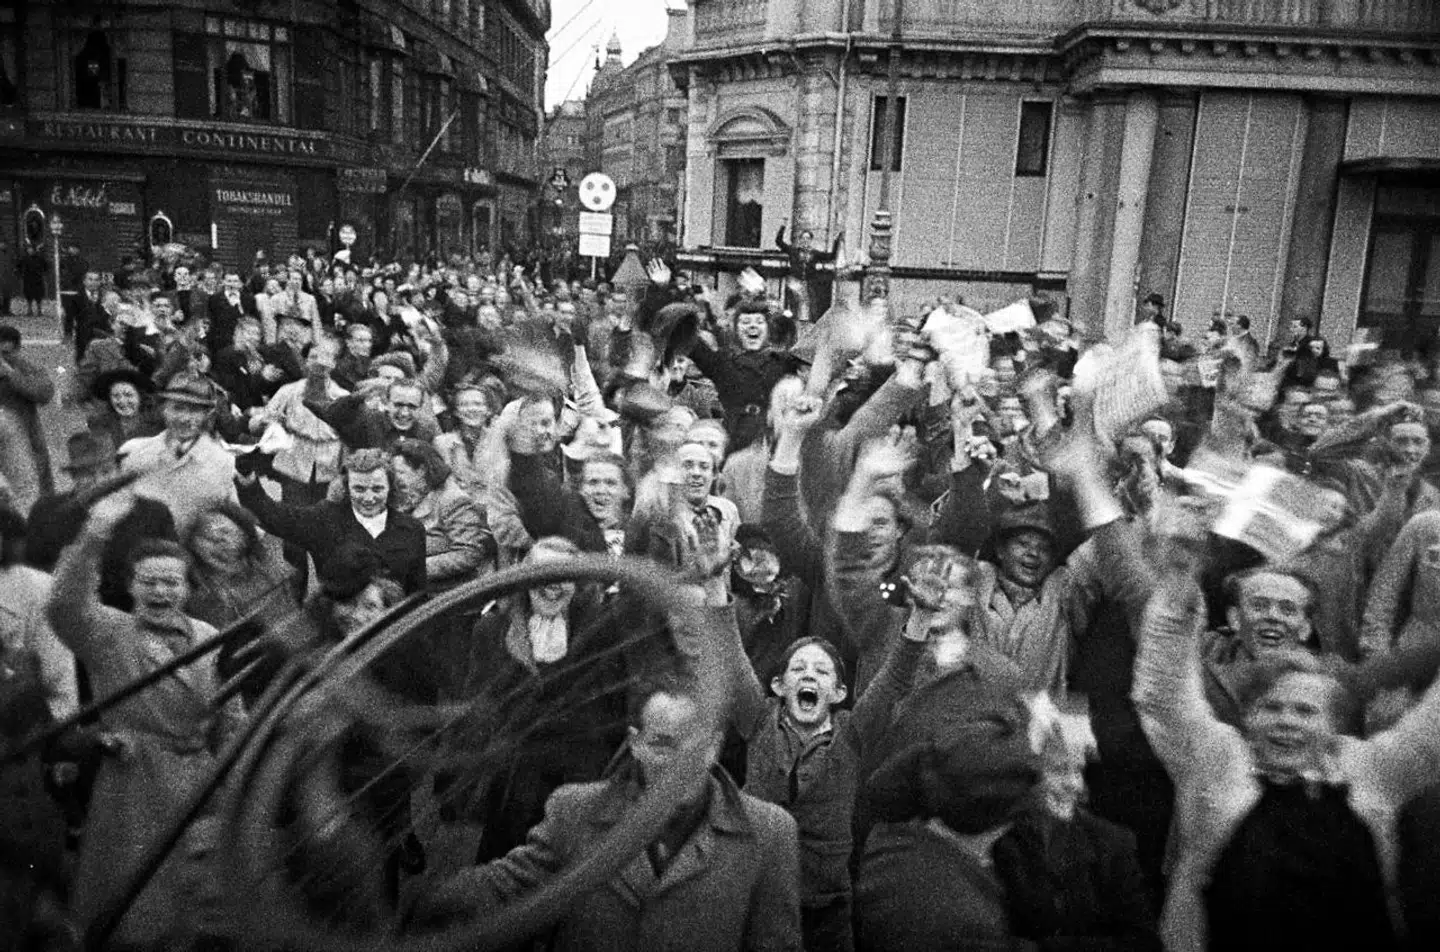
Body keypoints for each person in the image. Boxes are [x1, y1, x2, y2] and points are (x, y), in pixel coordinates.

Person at [1134, 535, 1440, 952]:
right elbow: (1163, 690)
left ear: (1334, 725)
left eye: (1305, 711)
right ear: (1249, 717)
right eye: (1272, 708)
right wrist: (1179, 582)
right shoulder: (1217, 757)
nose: (1286, 721)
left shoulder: (1372, 769)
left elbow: (1432, 730)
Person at [418, 672, 803, 952]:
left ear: (716, 746)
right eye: (663, 744)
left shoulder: (769, 834)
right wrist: (415, 906)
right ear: (635, 744)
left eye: (696, 744)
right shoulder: (576, 812)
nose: (679, 764)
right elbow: (504, 890)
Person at [47, 489, 241, 948]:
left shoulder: (209, 636)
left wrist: (234, 766)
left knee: (200, 912)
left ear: (188, 588)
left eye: (171, 583)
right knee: (137, 912)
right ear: (131, 586)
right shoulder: (108, 633)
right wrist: (93, 537)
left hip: (199, 783)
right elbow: (63, 604)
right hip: (134, 785)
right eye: (149, 582)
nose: (160, 592)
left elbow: (230, 711)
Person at [235, 447, 427, 595]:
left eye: (377, 489)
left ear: (390, 488)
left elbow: (417, 591)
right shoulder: (325, 519)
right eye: (359, 489)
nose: (368, 498)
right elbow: (273, 516)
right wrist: (248, 482)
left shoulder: (412, 529)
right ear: (347, 487)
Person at [117, 372, 238, 537]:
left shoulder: (223, 462)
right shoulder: (133, 451)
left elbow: (234, 520)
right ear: (164, 409)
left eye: (195, 410)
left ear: (207, 415)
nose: (184, 419)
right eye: (177, 408)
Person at [389, 436, 493, 589]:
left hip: (448, 597)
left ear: (422, 471)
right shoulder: (408, 498)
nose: (396, 479)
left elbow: (469, 553)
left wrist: (416, 569)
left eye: (401, 472)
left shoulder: (453, 501)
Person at [182, 502, 295, 631]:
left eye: (225, 532)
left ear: (244, 536)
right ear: (192, 546)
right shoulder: (201, 598)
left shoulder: (274, 559)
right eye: (204, 536)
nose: (218, 539)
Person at [0, 324, 57, 513]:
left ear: (18, 350)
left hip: (27, 442)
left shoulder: (27, 368)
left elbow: (44, 393)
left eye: (5, 353)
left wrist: (11, 374)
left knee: (35, 500)